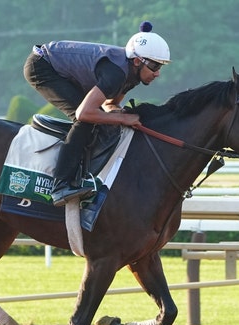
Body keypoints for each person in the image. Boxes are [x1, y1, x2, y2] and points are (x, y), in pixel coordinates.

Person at [23, 21, 171, 207]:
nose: (158, 74)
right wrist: (122, 118)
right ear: (137, 61)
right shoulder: (116, 73)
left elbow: (111, 104)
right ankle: (60, 186)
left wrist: (123, 115)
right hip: (42, 66)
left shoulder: (132, 76)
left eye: (161, 67)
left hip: (59, 68)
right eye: (155, 66)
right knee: (85, 121)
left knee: (100, 119)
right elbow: (85, 113)